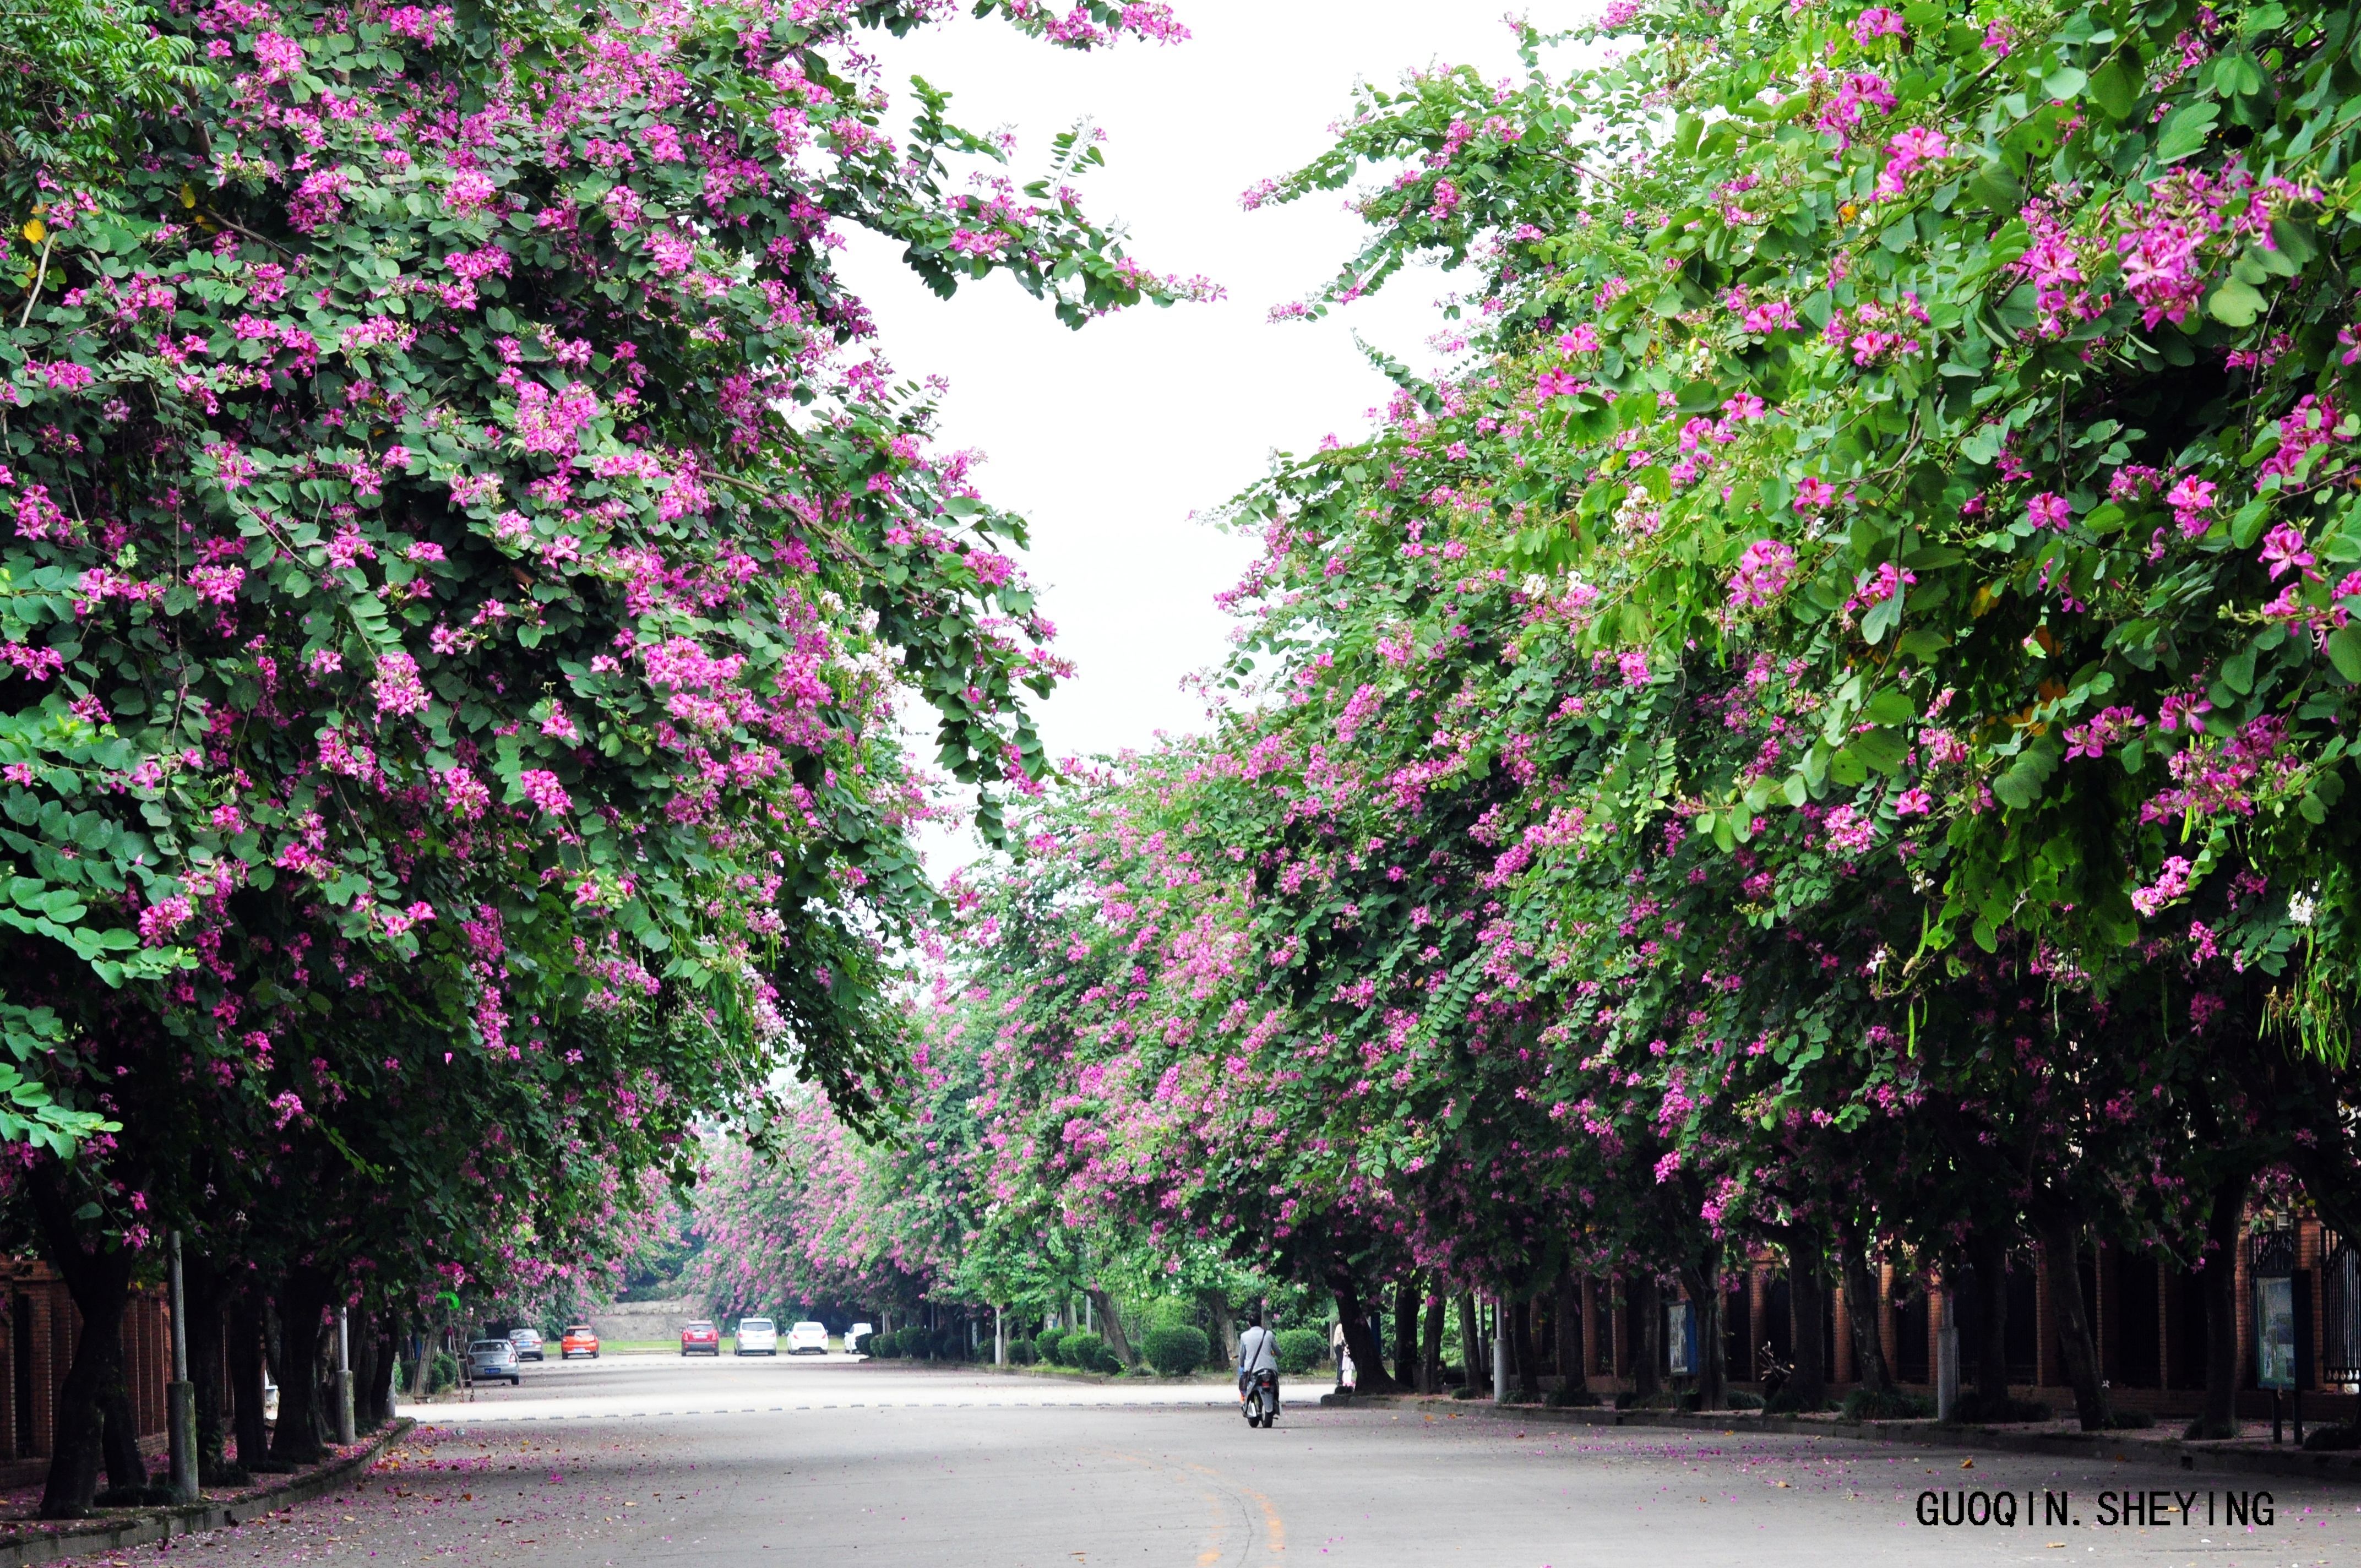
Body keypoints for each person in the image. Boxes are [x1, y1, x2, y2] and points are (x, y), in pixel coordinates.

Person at [1238, 1310, 1279, 1397]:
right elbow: (1279, 1353)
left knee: (1241, 1370)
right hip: (1270, 1369)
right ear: (1261, 1322)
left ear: (1249, 1324)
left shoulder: (1244, 1336)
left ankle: (1244, 1395)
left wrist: (1242, 1365)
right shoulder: (1269, 1335)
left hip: (1252, 1370)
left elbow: (1242, 1357)